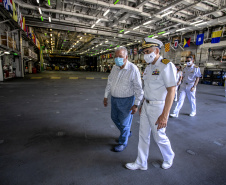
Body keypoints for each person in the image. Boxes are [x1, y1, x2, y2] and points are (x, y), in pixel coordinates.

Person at [125, 38, 177, 170]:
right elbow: (147, 88)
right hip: (147, 105)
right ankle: (141, 162)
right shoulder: (148, 67)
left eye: (148, 51)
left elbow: (172, 90)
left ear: (157, 50)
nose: (145, 54)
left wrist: (165, 115)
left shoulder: (166, 65)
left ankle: (169, 157)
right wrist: (142, 104)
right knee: (143, 135)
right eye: (144, 52)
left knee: (159, 136)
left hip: (158, 107)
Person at [103, 46, 143, 152]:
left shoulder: (133, 69)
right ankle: (127, 132)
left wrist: (136, 104)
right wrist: (106, 96)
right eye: (116, 57)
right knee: (114, 118)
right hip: (114, 99)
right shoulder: (115, 68)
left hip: (127, 101)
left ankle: (122, 142)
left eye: (120, 56)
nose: (117, 59)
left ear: (126, 56)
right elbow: (110, 82)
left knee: (125, 123)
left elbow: (138, 88)